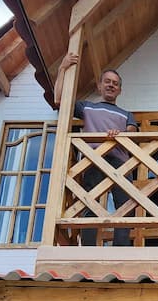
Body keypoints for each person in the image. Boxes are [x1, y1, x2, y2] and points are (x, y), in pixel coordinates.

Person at [54, 53, 138, 246]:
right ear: (99, 86)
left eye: (115, 83)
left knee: (125, 206)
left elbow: (132, 132)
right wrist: (62, 68)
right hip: (93, 159)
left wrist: (120, 134)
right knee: (89, 202)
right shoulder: (87, 107)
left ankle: (121, 250)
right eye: (107, 81)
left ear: (119, 90)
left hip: (120, 163)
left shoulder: (126, 114)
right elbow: (59, 100)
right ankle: (89, 248)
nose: (111, 85)